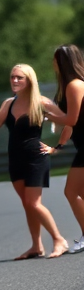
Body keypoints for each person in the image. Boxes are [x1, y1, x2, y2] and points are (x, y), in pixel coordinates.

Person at [0, 63, 68, 259]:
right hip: (15, 158)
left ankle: (58, 239)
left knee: (34, 203)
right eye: (12, 77)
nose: (14, 80)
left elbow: (70, 121)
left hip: (36, 157)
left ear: (29, 80)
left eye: (19, 77)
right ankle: (36, 246)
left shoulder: (42, 102)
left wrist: (57, 147)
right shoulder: (8, 104)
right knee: (27, 204)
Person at [40, 44, 84, 253]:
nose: (52, 63)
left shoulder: (74, 85)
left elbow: (71, 119)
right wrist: (58, 145)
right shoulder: (71, 85)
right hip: (81, 145)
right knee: (79, 192)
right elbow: (69, 125)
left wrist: (45, 115)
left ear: (63, 62)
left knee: (71, 191)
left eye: (55, 59)